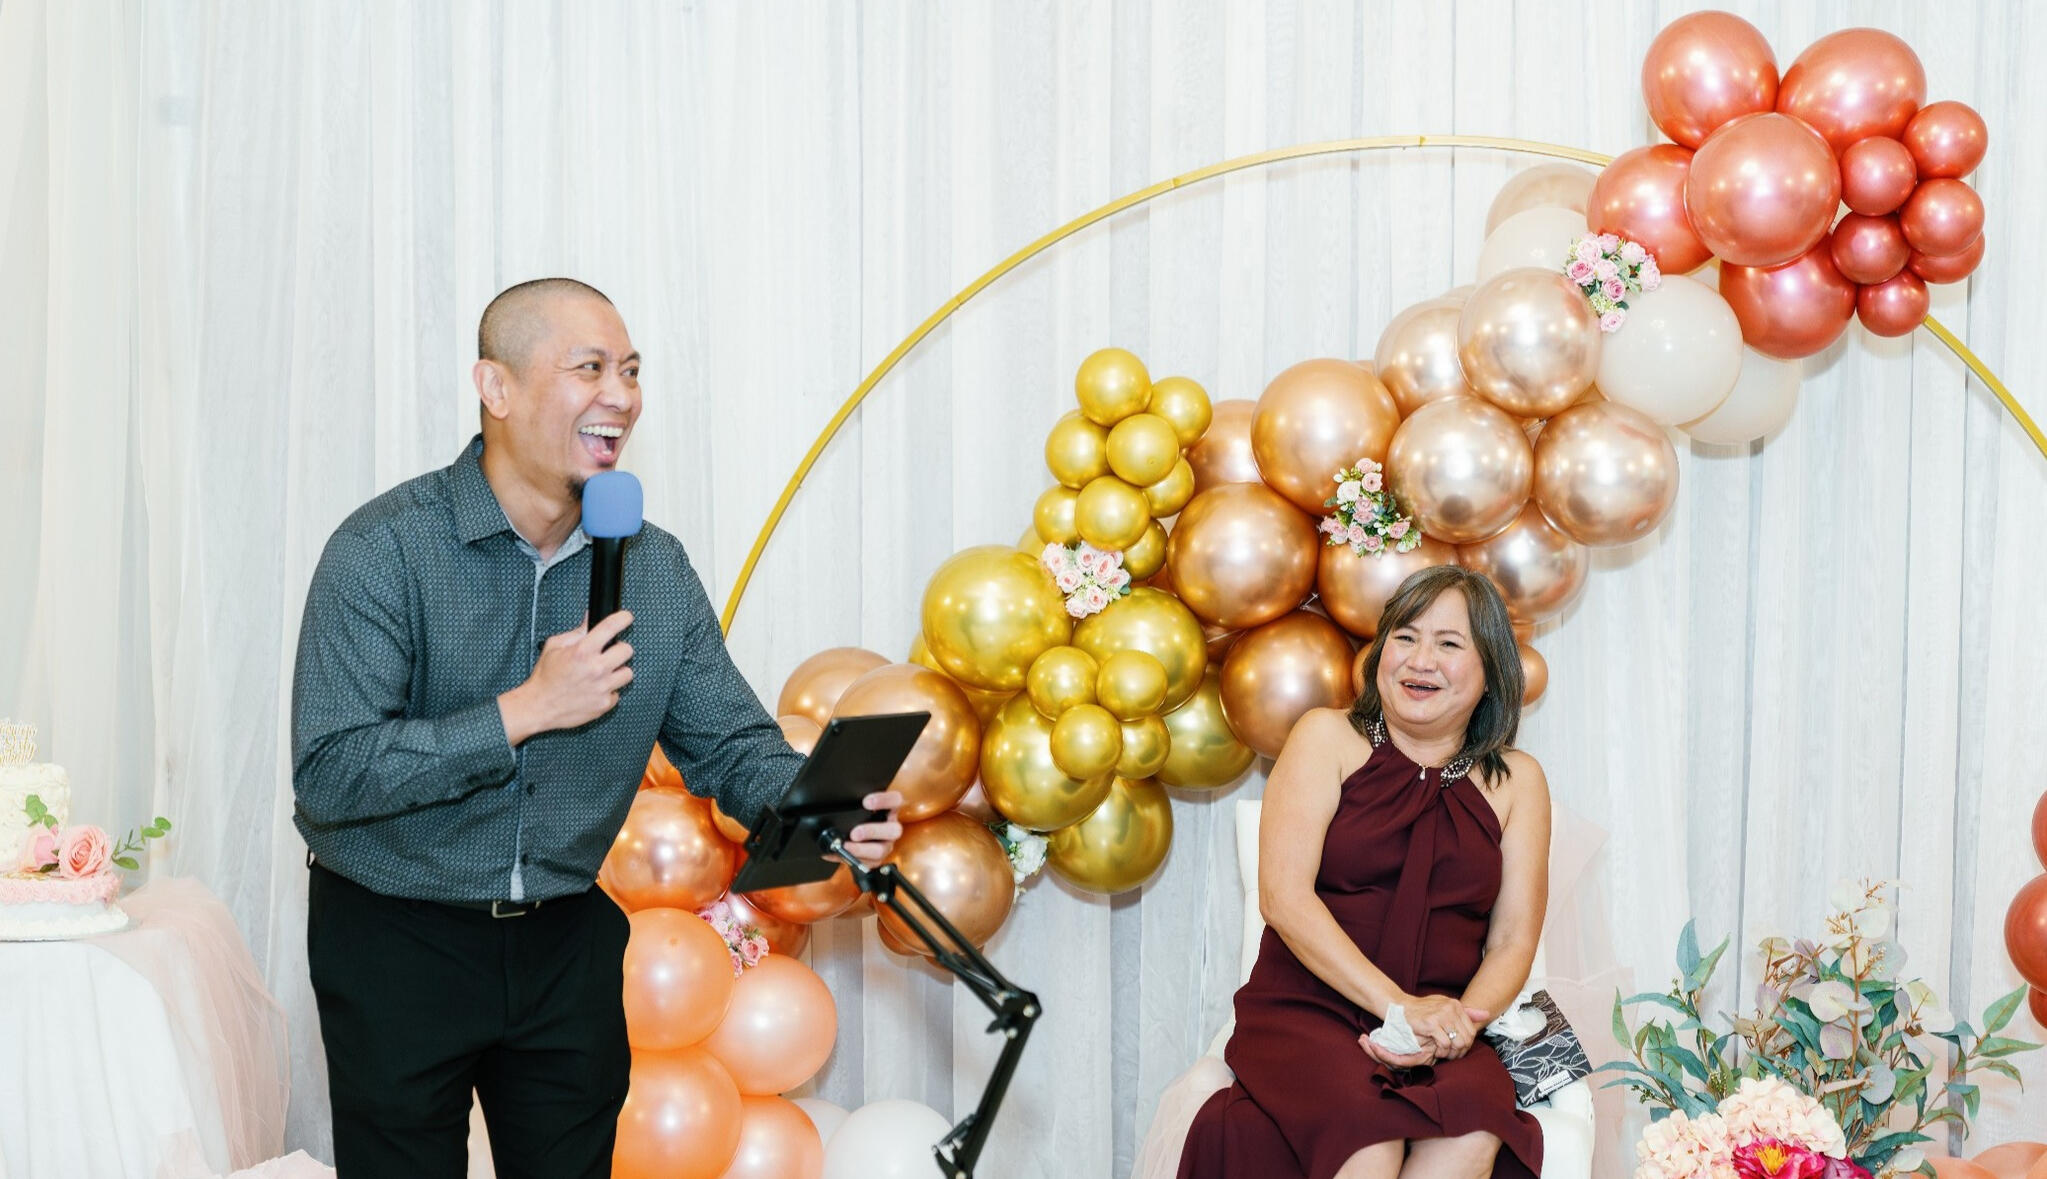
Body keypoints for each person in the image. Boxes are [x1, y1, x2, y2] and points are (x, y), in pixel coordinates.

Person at [290, 277, 903, 1177]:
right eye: (589, 368)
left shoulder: (653, 567)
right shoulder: (383, 549)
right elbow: (331, 771)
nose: (620, 395)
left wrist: (823, 807)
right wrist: (523, 711)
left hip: (564, 938)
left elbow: (730, 745)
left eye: (632, 370)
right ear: (495, 388)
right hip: (396, 934)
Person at [1179, 565, 1550, 1179]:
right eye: (1405, 637)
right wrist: (1398, 1007)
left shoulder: (1519, 781)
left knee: (1473, 1132)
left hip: (1444, 1023)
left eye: (1449, 644)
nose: (1420, 660)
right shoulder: (1325, 738)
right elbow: (1284, 897)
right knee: (1370, 1142)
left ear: (1491, 672)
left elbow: (1513, 939)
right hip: (1311, 1009)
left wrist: (1459, 1025)